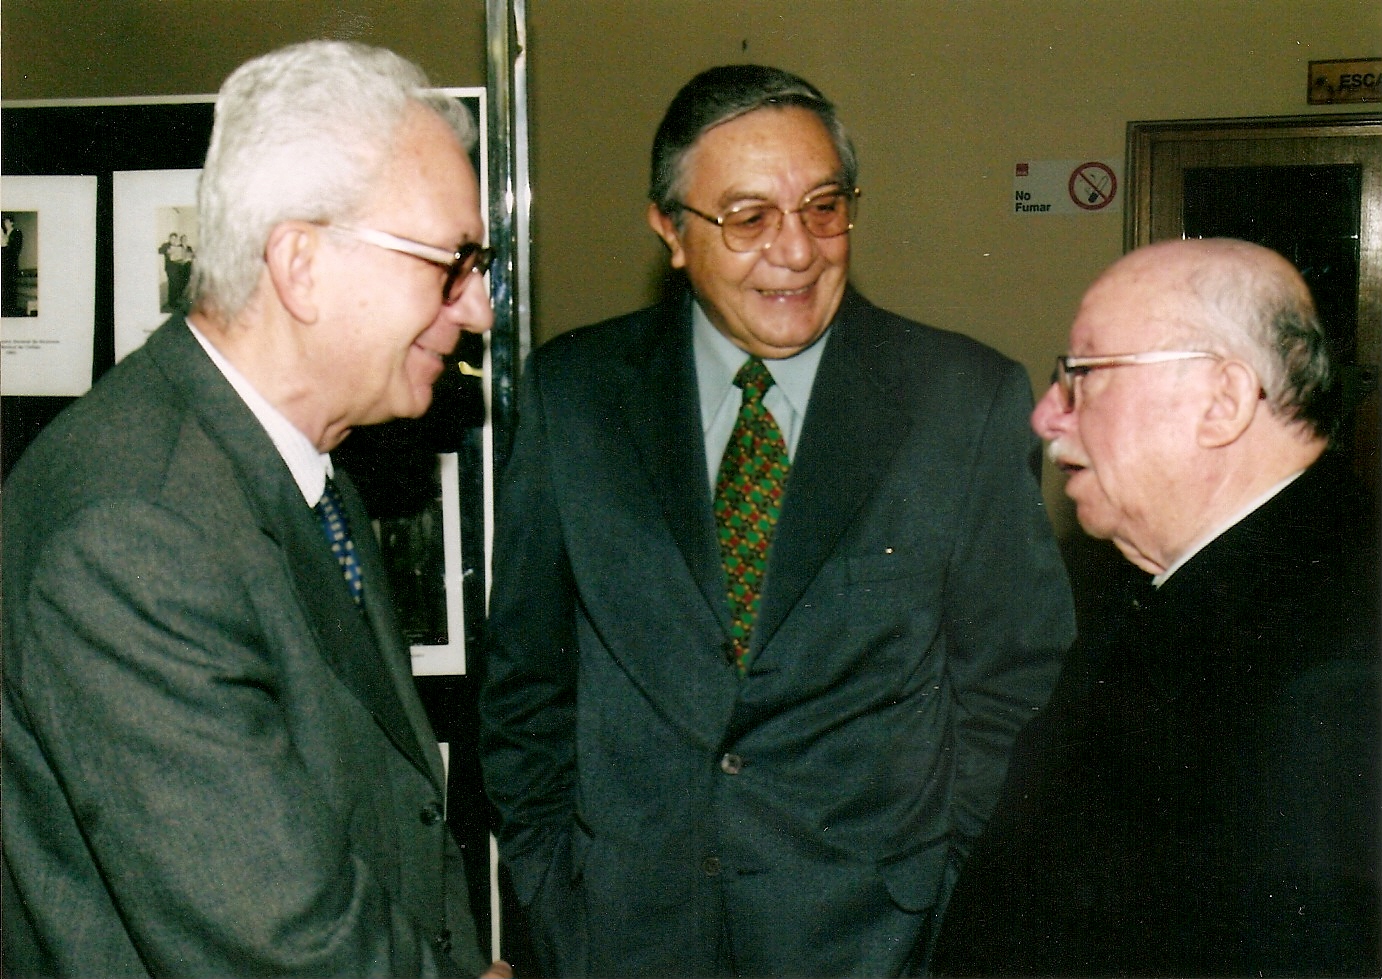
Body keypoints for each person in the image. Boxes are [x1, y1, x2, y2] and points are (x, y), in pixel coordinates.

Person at [479, 64, 1075, 977]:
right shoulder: (576, 396)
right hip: (626, 938)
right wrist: (555, 894)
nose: (796, 251)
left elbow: (1016, 683)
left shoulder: (961, 400)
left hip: (876, 941)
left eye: (823, 209)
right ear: (670, 230)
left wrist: (945, 890)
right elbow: (526, 683)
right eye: (749, 217)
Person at [2, 41, 510, 978]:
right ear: (301, 265)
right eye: (451, 264)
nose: (478, 309)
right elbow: (281, 941)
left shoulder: (305, 469)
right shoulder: (133, 531)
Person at [932, 238, 1380, 977]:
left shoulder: (1332, 666)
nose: (1046, 417)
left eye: (1083, 376)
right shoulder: (1182, 585)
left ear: (1223, 403)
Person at [2, 213, 24, 316]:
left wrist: (7, 243)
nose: (5, 223)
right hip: (3, 265)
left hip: (11, 265)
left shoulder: (17, 233)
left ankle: (12, 310)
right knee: (4, 287)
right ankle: (5, 309)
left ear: (12, 222)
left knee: (11, 287)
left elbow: (16, 249)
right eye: (4, 221)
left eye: (7, 221)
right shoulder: (3, 234)